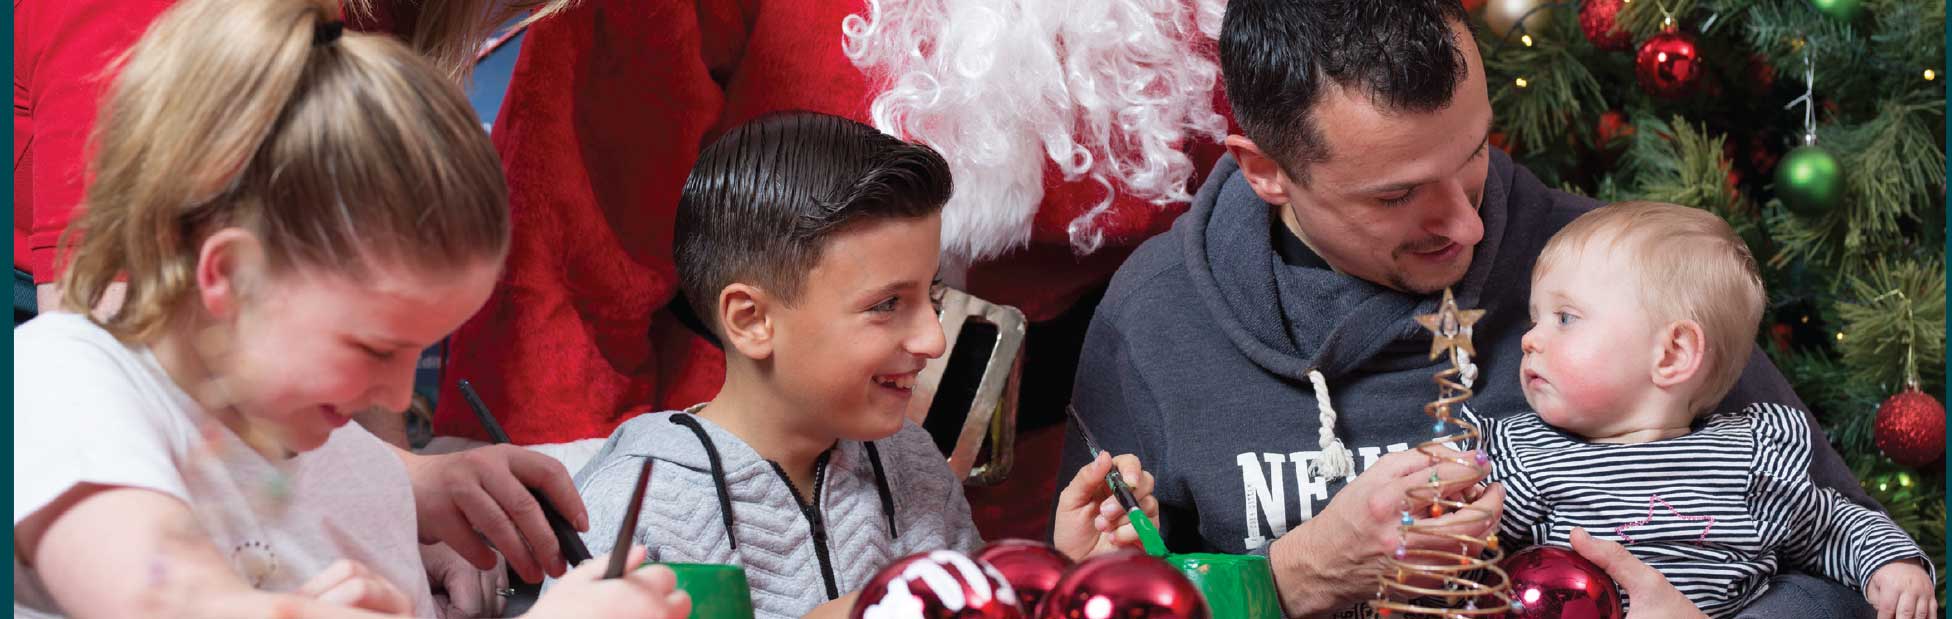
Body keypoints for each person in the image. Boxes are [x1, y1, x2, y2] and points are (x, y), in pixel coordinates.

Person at [1059, 1, 1882, 617]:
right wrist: (1297, 576)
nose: (1467, 222)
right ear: (1265, 171)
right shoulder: (1155, 320)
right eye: (1398, 195)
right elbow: (1098, 590)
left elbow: (1850, 571)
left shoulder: (1611, 273)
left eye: (1474, 154)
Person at [11, 0, 687, 616]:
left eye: (418, 352)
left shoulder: (355, 466)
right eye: (374, 348)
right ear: (231, 274)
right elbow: (169, 599)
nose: (398, 395)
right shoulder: (66, 387)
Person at [567, 112, 1161, 619]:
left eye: (932, 298)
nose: (932, 339)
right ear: (750, 320)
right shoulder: (635, 507)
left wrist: (1065, 584)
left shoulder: (913, 464)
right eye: (886, 306)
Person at [1474, 202, 1933, 618]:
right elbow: (1460, 551)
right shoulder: (1528, 455)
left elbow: (1830, 525)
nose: (1529, 339)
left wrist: (1891, 563)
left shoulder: (1751, 460)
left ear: (1672, 354)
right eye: (1536, 319)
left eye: (1565, 318)